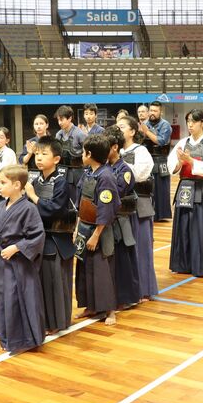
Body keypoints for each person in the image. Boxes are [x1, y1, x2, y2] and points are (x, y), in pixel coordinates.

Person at [0, 164, 46, 355]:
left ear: (17, 185)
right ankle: (8, 337)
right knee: (5, 298)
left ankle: (26, 339)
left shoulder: (29, 209)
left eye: (3, 183)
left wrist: (17, 247)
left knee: (19, 298)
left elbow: (37, 236)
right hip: (4, 263)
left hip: (21, 264)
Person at [24, 136, 76, 334]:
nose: (38, 157)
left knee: (55, 283)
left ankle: (57, 323)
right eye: (37, 153)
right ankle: (44, 321)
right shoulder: (35, 181)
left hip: (57, 239)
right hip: (39, 238)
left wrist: (33, 196)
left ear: (56, 159)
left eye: (44, 154)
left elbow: (55, 210)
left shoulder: (61, 182)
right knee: (42, 283)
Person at [167, 109, 203, 277]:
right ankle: (183, 264)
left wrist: (190, 160)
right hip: (185, 188)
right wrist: (179, 163)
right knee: (183, 228)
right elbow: (172, 166)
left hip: (202, 188)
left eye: (194, 121)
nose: (190, 125)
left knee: (202, 228)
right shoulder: (183, 142)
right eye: (188, 121)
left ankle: (202, 265)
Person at [74, 134, 121, 326]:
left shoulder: (106, 177)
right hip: (84, 226)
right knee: (85, 269)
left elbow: (106, 208)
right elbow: (81, 201)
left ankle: (110, 311)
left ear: (89, 154)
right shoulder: (88, 173)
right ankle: (90, 306)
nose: (81, 155)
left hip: (100, 230)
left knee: (102, 270)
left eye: (83, 151)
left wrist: (96, 235)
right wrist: (77, 227)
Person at [116, 115, 158, 302]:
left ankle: (144, 288)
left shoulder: (141, 151)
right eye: (117, 126)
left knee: (142, 247)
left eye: (122, 127)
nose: (118, 130)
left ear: (132, 131)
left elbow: (140, 175)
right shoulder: (116, 151)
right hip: (122, 205)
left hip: (140, 203)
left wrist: (120, 166)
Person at [104, 125, 141, 308]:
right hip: (104, 220)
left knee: (123, 260)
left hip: (120, 220)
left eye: (106, 146)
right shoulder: (102, 167)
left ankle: (126, 298)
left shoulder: (124, 170)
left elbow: (116, 194)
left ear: (115, 147)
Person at [141, 101, 173, 221]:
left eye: (155, 111)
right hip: (147, 158)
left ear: (161, 112)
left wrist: (147, 132)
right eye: (151, 110)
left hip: (160, 159)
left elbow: (161, 141)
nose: (152, 113)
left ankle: (161, 215)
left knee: (161, 188)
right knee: (148, 188)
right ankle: (148, 213)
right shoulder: (145, 124)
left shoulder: (165, 125)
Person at [54, 105, 87, 206]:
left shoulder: (80, 134)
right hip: (62, 170)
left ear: (70, 118)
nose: (59, 122)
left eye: (62, 119)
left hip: (77, 171)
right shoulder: (58, 134)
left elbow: (88, 152)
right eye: (58, 120)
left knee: (75, 200)